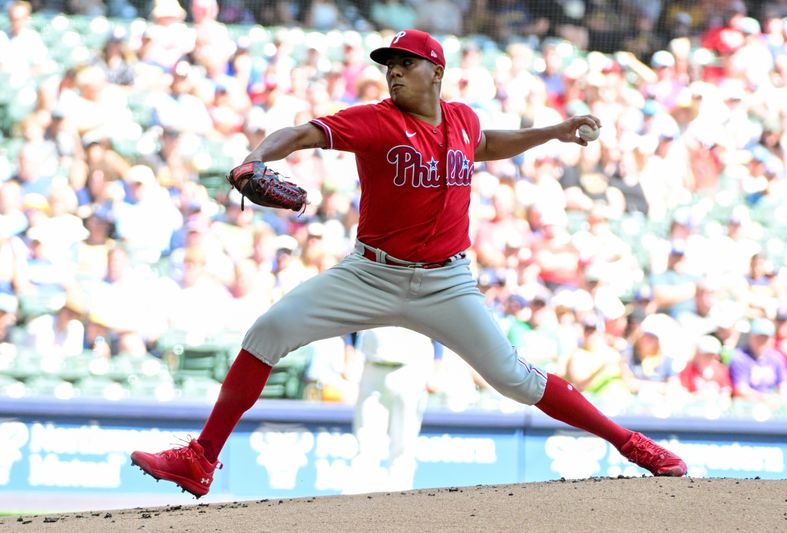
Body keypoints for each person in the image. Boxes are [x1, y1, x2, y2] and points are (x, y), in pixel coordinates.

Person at [131, 29, 686, 498]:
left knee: (514, 379)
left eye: (405, 64)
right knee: (267, 332)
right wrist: (255, 158)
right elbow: (301, 132)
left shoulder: (462, 120)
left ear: (435, 73)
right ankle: (201, 458)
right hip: (370, 274)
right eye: (389, 65)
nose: (393, 73)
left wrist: (556, 131)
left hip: (447, 282)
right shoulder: (374, 121)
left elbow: (487, 143)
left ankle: (630, 443)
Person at [347, 327, 435, 493]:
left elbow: (439, 324)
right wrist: (349, 355)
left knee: (403, 443)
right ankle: (357, 505)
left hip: (410, 368)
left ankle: (400, 505)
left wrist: (436, 367)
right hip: (372, 365)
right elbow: (348, 321)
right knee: (366, 442)